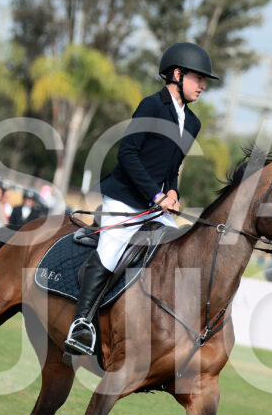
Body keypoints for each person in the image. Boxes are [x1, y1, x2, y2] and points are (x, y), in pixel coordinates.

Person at [63, 42, 218, 356]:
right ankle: (81, 324)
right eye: (198, 78)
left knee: (179, 249)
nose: (203, 86)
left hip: (155, 206)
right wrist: (156, 194)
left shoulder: (193, 122)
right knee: (110, 252)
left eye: (204, 80)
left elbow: (173, 166)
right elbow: (128, 154)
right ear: (177, 74)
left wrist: (172, 191)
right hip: (124, 199)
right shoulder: (152, 106)